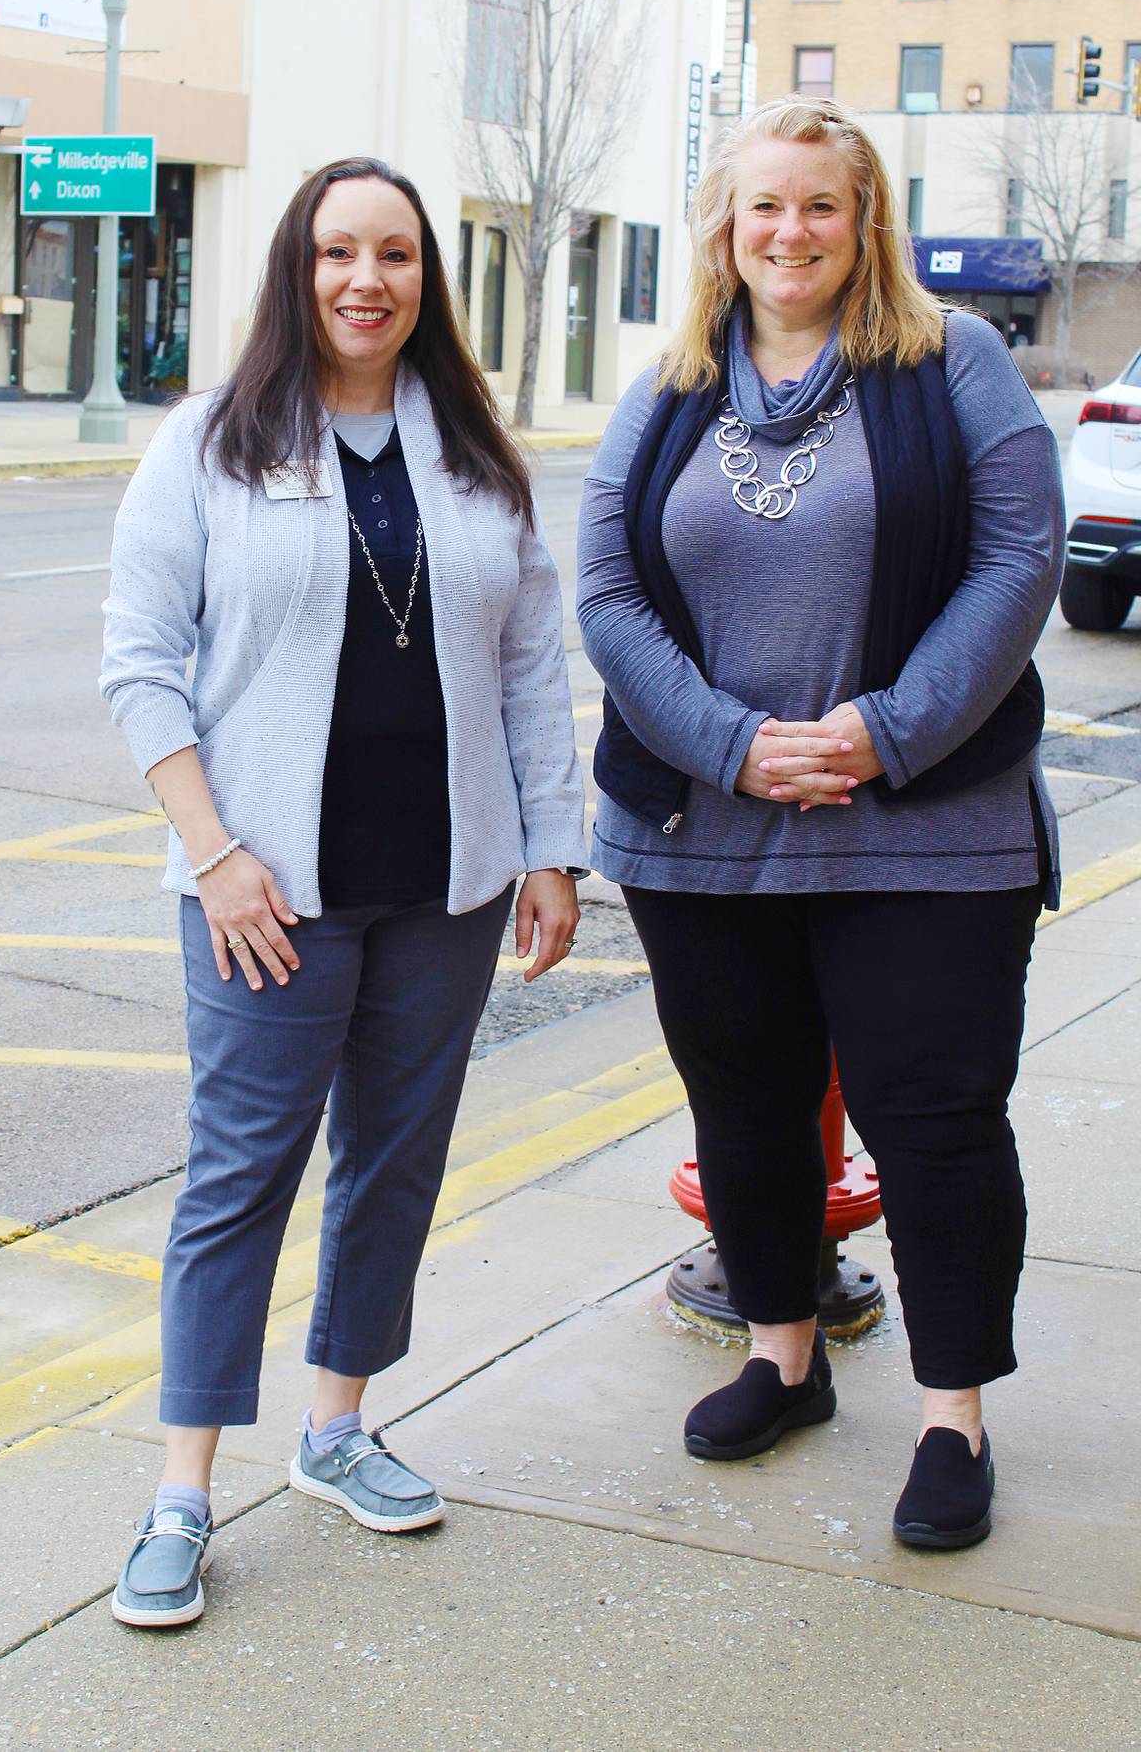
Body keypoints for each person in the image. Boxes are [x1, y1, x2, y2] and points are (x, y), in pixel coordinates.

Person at [99, 156, 586, 1626]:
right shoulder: (210, 444)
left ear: (424, 280)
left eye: (394, 255)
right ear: (295, 273)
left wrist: (551, 852)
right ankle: (180, 1493)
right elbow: (139, 664)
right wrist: (215, 851)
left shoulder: (476, 454)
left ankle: (336, 1427)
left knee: (395, 1164)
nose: (365, 281)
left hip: (445, 886)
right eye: (335, 254)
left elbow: (530, 670)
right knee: (238, 1176)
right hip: (265, 894)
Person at [577, 97, 1063, 1551]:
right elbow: (602, 590)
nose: (788, 233)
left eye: (820, 207)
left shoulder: (950, 363)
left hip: (927, 826)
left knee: (935, 1124)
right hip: (704, 829)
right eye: (762, 207)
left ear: (867, 226)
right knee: (748, 1111)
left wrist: (882, 730)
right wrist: (733, 744)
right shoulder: (668, 383)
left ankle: (952, 1415)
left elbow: (1022, 558)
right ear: (725, 225)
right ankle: (782, 1359)